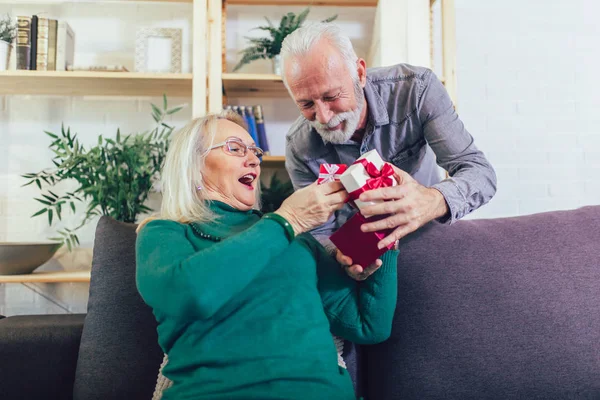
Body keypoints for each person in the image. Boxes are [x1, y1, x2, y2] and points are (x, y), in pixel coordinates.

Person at [135, 111, 399, 400]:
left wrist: (383, 231)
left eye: (255, 152)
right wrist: (288, 221)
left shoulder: (298, 241)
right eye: (235, 148)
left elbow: (368, 325)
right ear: (193, 166)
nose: (253, 160)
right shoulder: (164, 234)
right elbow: (188, 294)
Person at [281, 23, 497, 279]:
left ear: (360, 74)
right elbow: (318, 231)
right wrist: (340, 257)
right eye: (306, 104)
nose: (324, 117)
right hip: (361, 259)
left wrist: (431, 200)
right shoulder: (299, 145)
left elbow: (480, 173)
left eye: (332, 96)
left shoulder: (417, 91)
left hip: (429, 239)